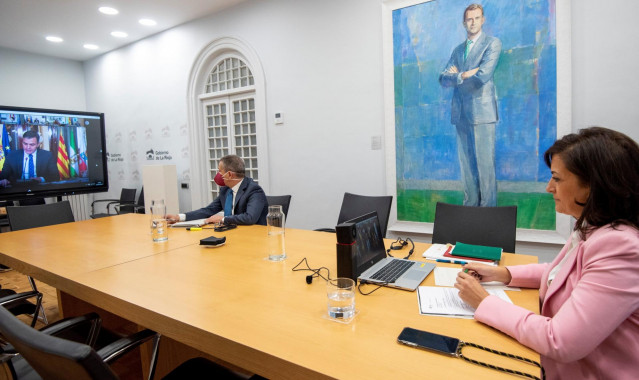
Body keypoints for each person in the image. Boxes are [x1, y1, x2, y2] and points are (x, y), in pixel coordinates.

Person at [455, 127, 639, 379]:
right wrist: (503, 273)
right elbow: (563, 272)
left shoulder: (621, 247)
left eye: (557, 178)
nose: (548, 187)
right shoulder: (595, 227)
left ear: (592, 185)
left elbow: (560, 340)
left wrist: (484, 301)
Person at [439, 3, 501, 207]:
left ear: (483, 20)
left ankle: (488, 215)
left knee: (485, 168)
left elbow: (483, 76)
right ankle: (470, 211)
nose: (472, 22)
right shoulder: (457, 50)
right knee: (467, 168)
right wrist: (463, 74)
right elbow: (443, 79)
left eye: (476, 18)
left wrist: (458, 76)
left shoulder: (492, 44)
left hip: (483, 114)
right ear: (464, 23)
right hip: (460, 114)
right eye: (469, 19)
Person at [166, 154, 268, 226]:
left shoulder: (254, 190)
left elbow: (250, 218)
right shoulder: (225, 190)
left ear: (229, 174)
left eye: (220, 171)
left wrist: (223, 219)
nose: (218, 174)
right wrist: (179, 217)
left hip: (252, 238)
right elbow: (208, 210)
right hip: (232, 233)